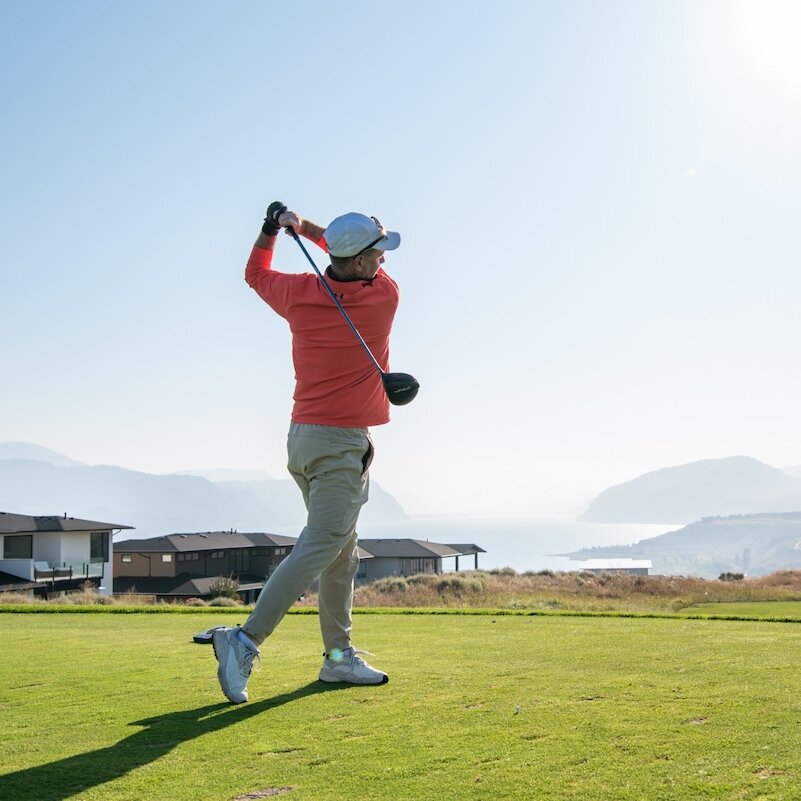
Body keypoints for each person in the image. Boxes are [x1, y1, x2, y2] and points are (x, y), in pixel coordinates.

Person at [211, 201, 404, 703]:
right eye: (377, 254)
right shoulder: (383, 296)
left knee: (341, 555)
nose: (383, 261)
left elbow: (255, 273)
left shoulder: (297, 293)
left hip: (302, 439)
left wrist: (272, 230)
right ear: (361, 263)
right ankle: (245, 639)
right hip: (341, 446)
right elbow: (333, 251)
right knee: (321, 545)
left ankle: (338, 660)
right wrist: (307, 226)